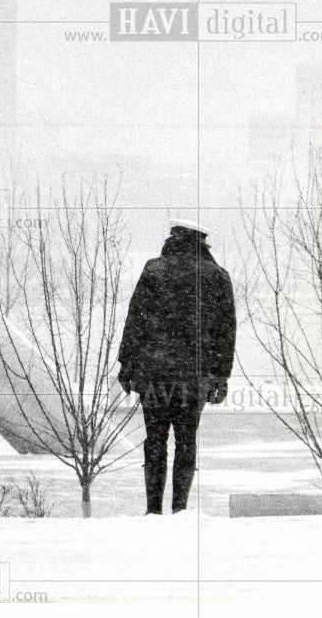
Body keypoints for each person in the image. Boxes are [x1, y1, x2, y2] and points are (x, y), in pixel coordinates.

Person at [117, 219, 236, 515]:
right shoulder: (217, 275)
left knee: (155, 440)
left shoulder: (154, 269)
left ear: (174, 239)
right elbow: (225, 331)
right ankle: (180, 510)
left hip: (153, 373)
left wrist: (127, 367)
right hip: (194, 378)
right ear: (201, 242)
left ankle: (153, 510)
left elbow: (136, 320)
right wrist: (221, 377)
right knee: (187, 441)